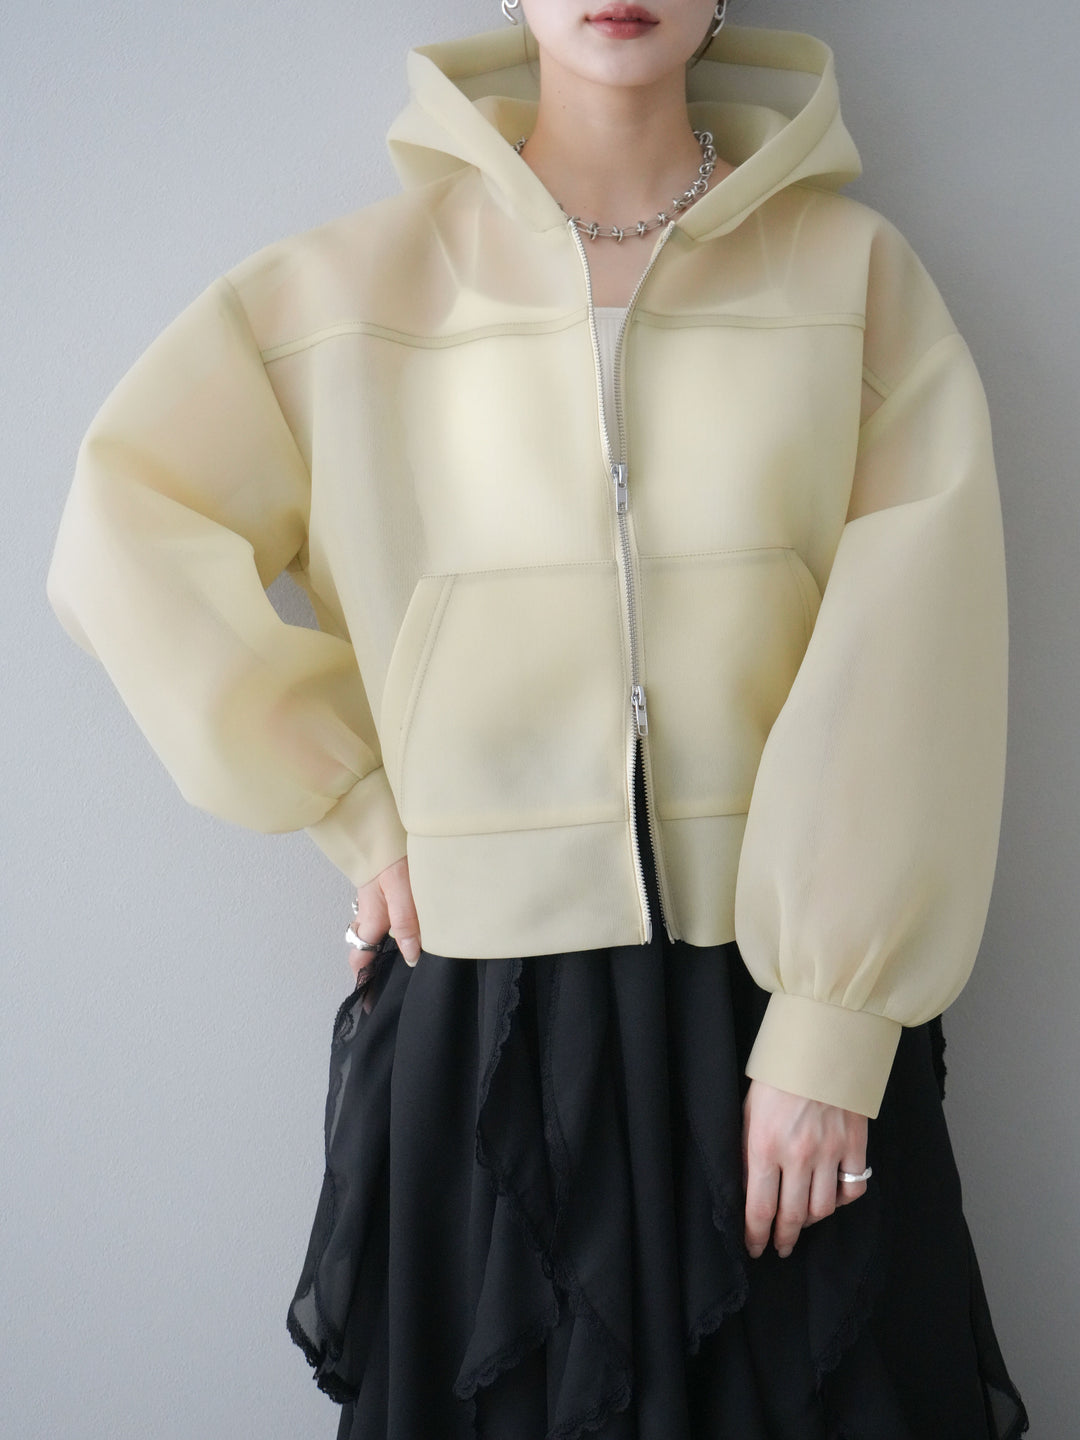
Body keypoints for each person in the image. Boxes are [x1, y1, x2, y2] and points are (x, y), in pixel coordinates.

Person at [46, 1, 1030, 1436]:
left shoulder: (854, 277)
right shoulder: (350, 288)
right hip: (487, 1012)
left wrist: (833, 1023)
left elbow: (920, 654)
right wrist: (349, 800)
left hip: (774, 999)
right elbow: (126, 527)